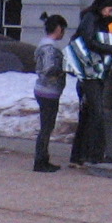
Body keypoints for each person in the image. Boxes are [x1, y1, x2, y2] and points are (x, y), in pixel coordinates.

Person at [66, 0, 112, 167]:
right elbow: (90, 41)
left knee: (88, 113)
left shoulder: (96, 18)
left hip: (92, 71)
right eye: (109, 9)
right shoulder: (91, 18)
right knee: (96, 112)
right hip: (90, 71)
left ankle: (79, 155)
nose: (110, 12)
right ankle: (94, 153)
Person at [32, 13, 68, 172]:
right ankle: (40, 160)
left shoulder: (44, 45)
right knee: (46, 127)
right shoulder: (50, 48)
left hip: (44, 91)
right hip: (49, 91)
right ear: (59, 29)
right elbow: (48, 69)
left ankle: (43, 158)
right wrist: (63, 70)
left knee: (46, 126)